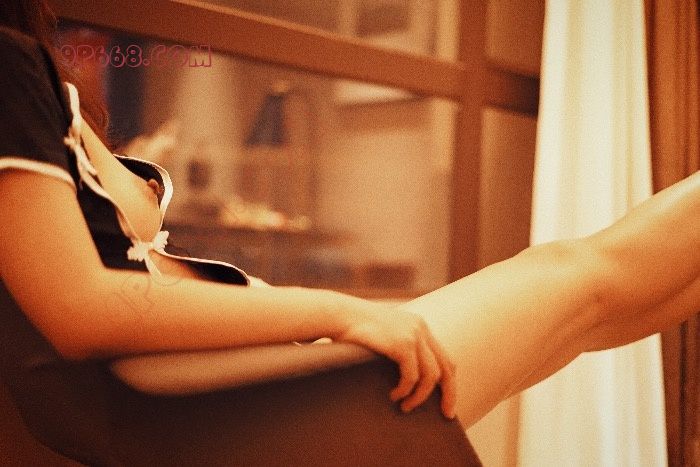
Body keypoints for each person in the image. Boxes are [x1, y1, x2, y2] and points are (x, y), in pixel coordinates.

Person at [0, 0, 698, 459]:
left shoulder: (28, 71)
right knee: (583, 276)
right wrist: (340, 310)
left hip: (213, 387)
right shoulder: (9, 64)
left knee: (591, 309)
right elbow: (82, 308)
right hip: (222, 409)